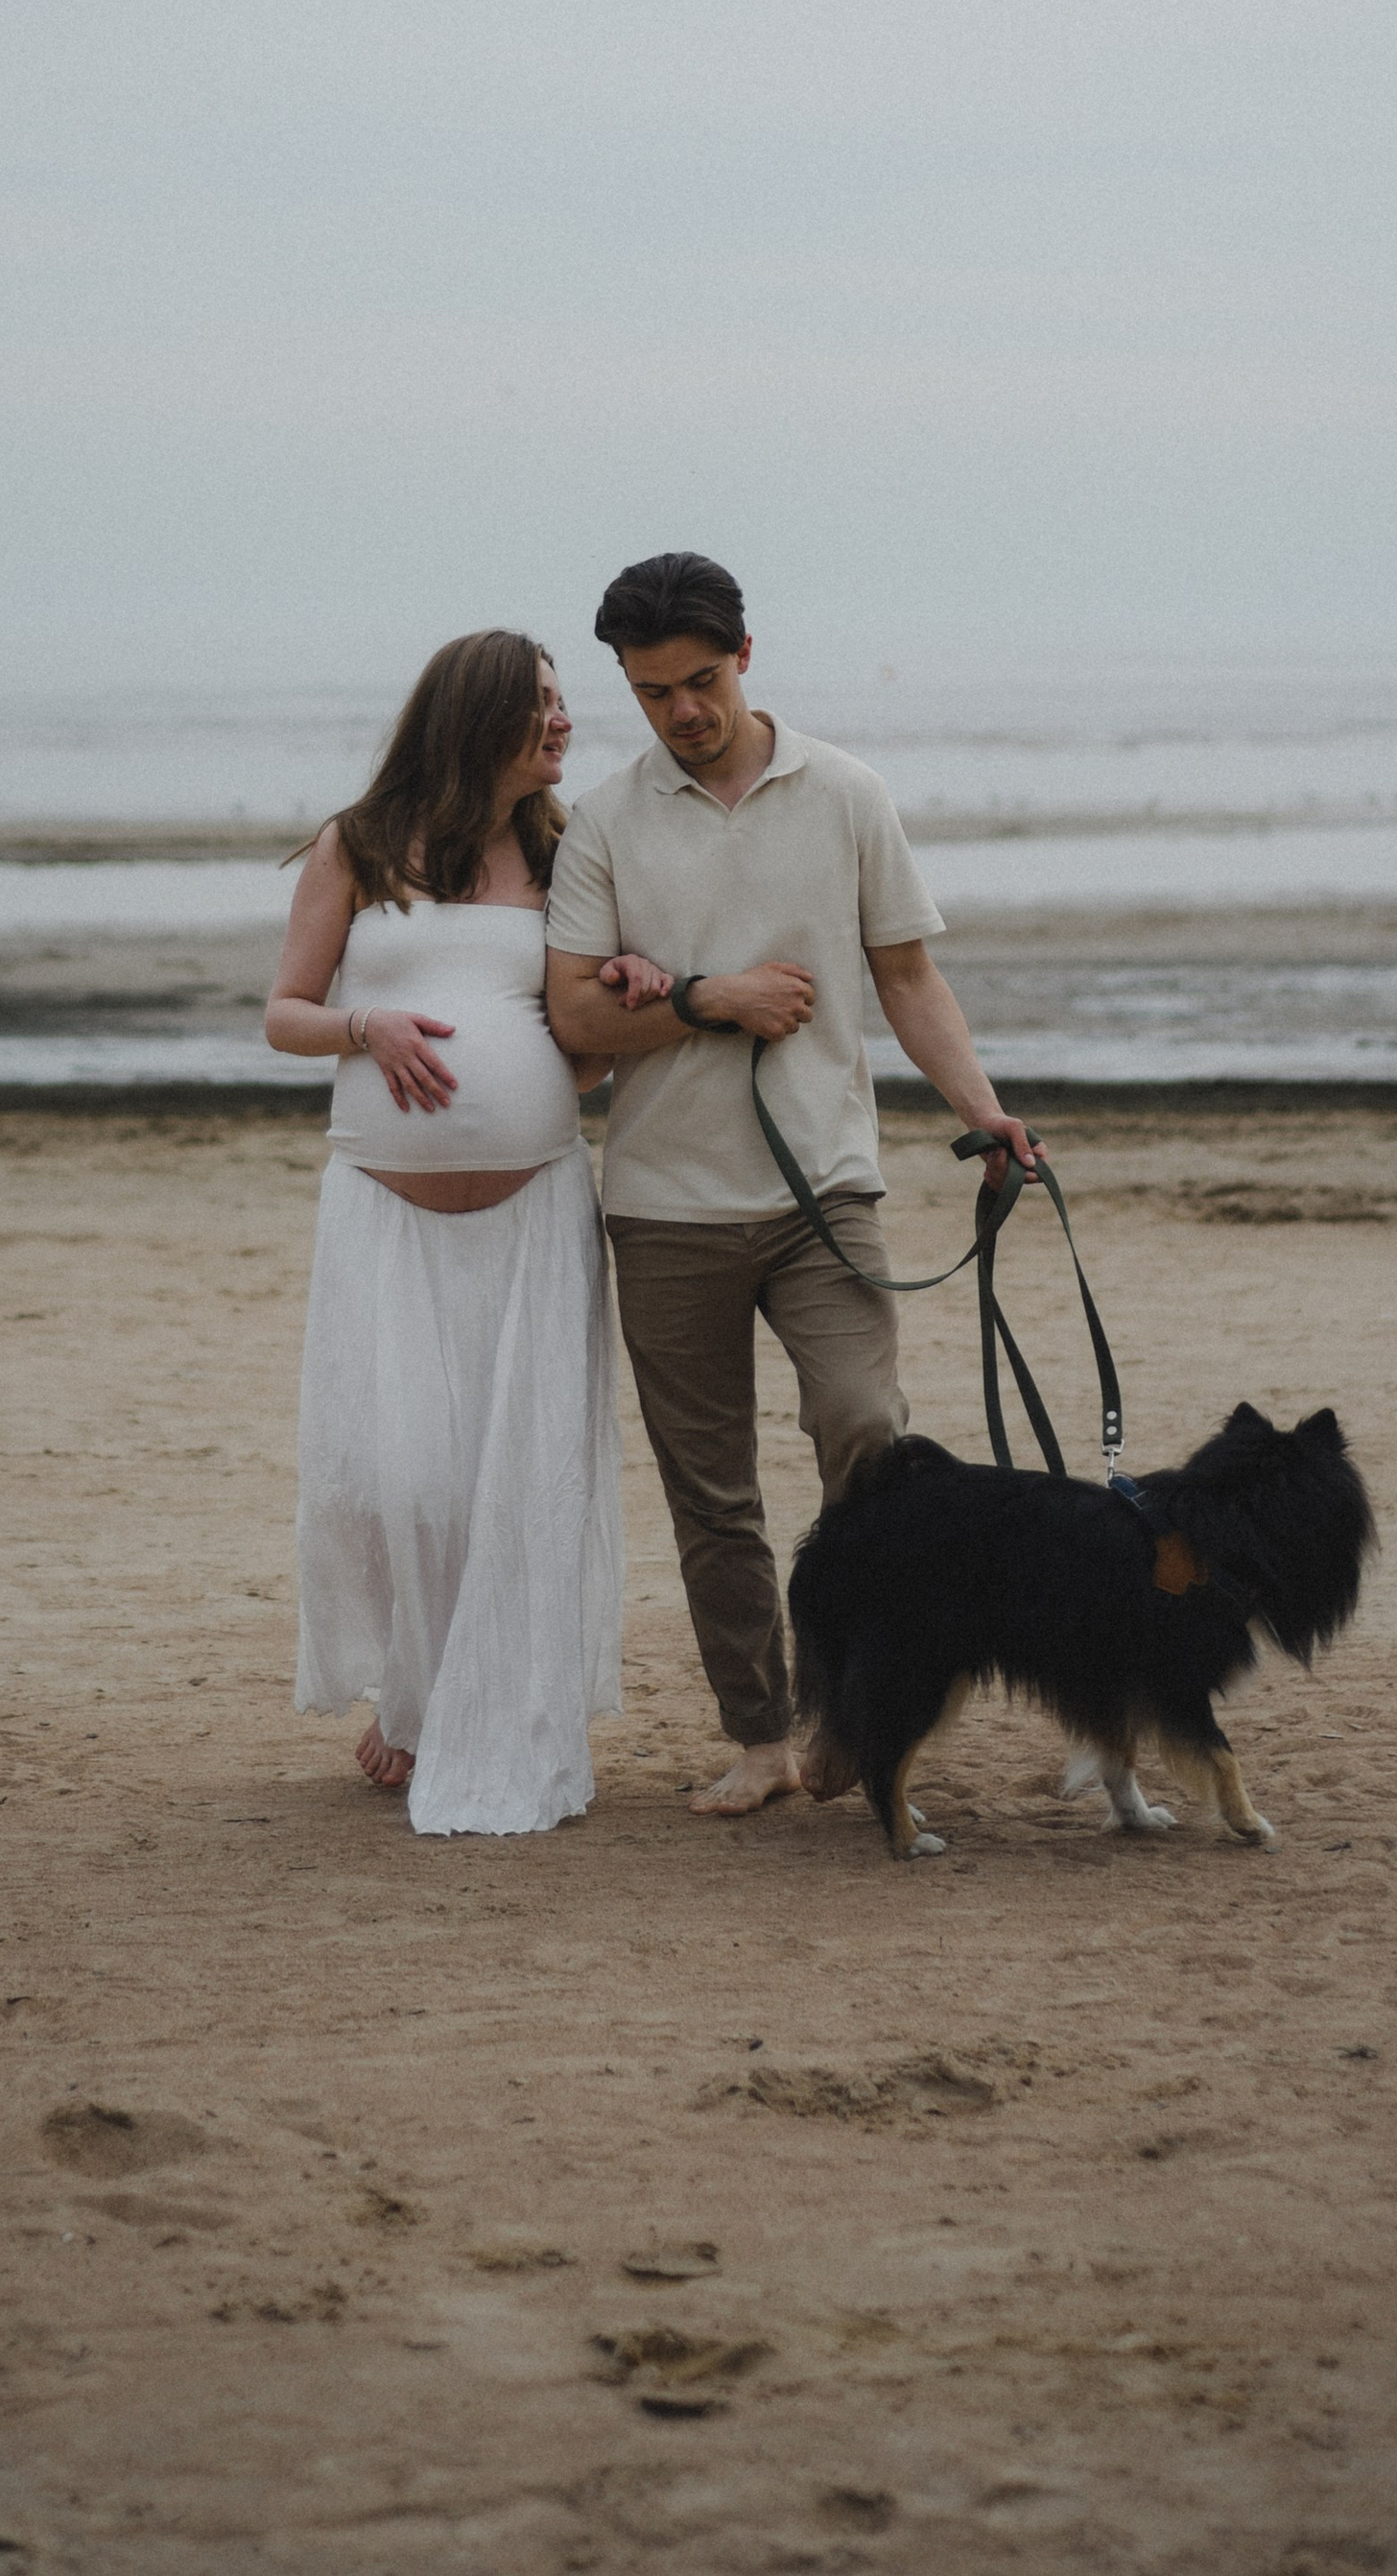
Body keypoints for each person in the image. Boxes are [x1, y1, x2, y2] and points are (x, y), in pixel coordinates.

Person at [542, 552, 1041, 1817]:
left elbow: (907, 977)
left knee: (865, 1435)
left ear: (745, 655)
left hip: (826, 1187)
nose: (681, 710)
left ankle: (855, 1713)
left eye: (700, 681)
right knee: (711, 1495)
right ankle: (763, 1736)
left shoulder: (847, 792)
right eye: (652, 691)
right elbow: (574, 1019)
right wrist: (711, 998)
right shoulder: (602, 821)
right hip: (662, 1204)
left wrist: (984, 1114)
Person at [265, 629, 661, 1837]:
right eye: (542, 702)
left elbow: (579, 1053)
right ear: (479, 715)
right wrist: (366, 1027)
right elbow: (284, 1012)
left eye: (563, 701)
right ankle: (416, 1686)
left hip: (535, 1211)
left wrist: (628, 994)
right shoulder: (358, 843)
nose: (566, 720)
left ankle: (487, 1709)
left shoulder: (566, 849)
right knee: (408, 1477)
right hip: (383, 1213)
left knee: (525, 1481)